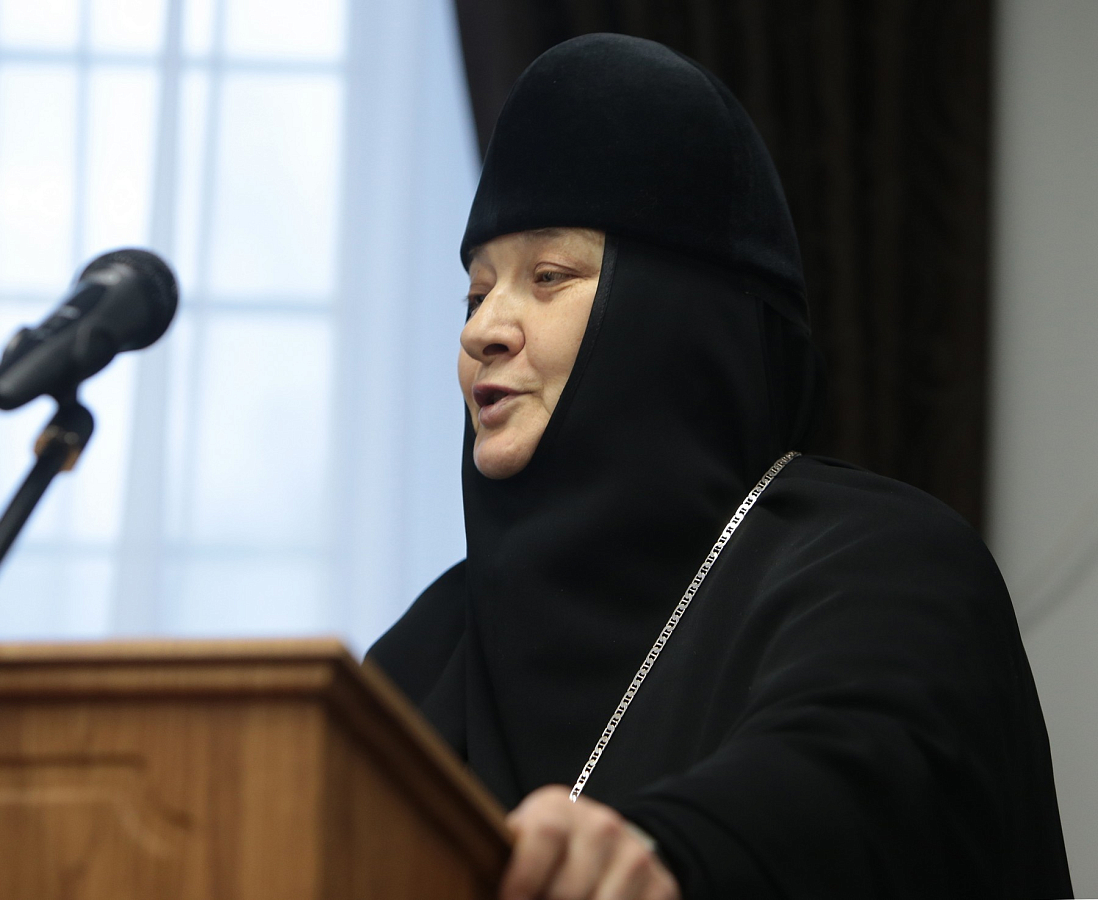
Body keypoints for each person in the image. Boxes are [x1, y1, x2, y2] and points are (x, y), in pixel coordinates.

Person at [368, 33, 1072, 900]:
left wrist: (666, 852)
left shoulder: (886, 565)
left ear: (671, 315)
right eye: (476, 292)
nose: (482, 329)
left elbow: (849, 779)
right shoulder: (427, 651)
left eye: (547, 277)